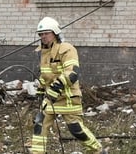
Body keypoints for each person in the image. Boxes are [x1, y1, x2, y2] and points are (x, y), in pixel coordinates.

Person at [31, 16, 105, 153]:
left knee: (76, 129)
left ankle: (99, 150)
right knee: (39, 125)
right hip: (50, 99)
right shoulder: (43, 52)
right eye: (41, 34)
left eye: (46, 33)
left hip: (68, 98)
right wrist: (41, 91)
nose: (43, 37)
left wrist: (55, 89)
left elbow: (72, 73)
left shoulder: (67, 49)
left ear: (55, 33)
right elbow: (46, 74)